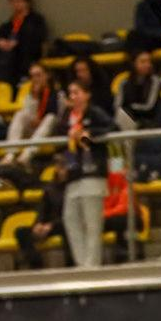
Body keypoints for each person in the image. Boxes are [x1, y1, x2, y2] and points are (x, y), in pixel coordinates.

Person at [59, 79, 113, 269]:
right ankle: (82, 263)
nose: (73, 96)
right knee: (70, 217)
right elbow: (60, 139)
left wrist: (90, 133)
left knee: (92, 223)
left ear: (87, 95)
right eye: (71, 93)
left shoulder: (95, 113)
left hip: (93, 172)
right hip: (74, 172)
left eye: (77, 92)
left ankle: (93, 265)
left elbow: (113, 127)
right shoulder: (66, 117)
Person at [0, 62, 65, 171]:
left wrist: (41, 120)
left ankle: (26, 156)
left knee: (50, 118)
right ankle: (10, 155)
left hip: (50, 131)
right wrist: (35, 98)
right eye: (32, 76)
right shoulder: (30, 95)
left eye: (38, 75)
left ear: (47, 75)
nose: (35, 79)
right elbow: (28, 114)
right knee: (20, 115)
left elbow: (59, 118)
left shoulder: (58, 95)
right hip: (33, 130)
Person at [115, 49, 161, 180]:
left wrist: (131, 108)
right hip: (128, 121)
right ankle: (118, 169)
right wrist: (129, 110)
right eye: (143, 61)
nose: (147, 65)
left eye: (149, 61)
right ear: (134, 63)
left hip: (148, 122)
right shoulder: (124, 83)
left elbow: (150, 107)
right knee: (119, 120)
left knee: (125, 123)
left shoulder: (155, 81)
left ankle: (129, 163)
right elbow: (117, 107)